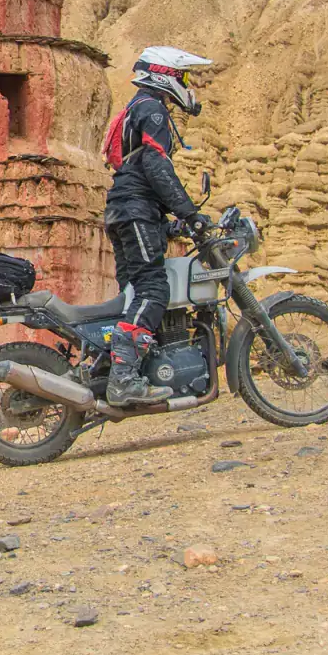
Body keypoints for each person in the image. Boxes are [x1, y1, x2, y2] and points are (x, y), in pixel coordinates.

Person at [101, 47, 215, 407]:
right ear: (165, 76)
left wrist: (168, 221)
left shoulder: (136, 108)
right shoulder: (152, 110)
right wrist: (189, 211)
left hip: (127, 210)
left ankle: (125, 367)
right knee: (152, 289)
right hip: (134, 210)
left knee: (133, 293)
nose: (187, 85)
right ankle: (122, 379)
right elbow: (155, 165)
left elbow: (138, 169)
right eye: (183, 77)